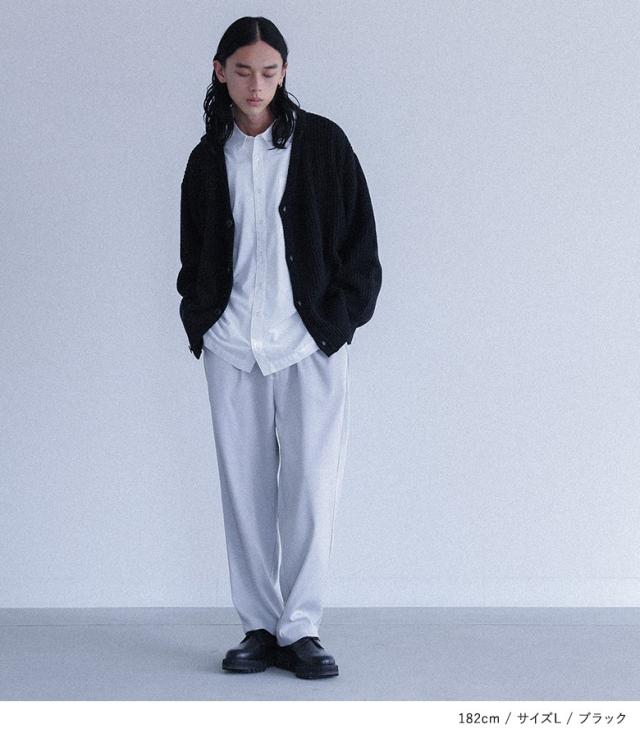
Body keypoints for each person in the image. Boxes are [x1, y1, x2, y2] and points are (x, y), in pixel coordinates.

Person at [177, 16, 381, 680]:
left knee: (312, 492)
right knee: (244, 494)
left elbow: (361, 246)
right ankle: (260, 627)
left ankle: (302, 628)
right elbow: (194, 254)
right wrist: (201, 321)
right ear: (220, 73)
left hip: (309, 344)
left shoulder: (323, 144)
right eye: (243, 71)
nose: (256, 84)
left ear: (284, 73)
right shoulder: (208, 157)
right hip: (232, 344)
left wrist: (338, 325)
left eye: (269, 72)